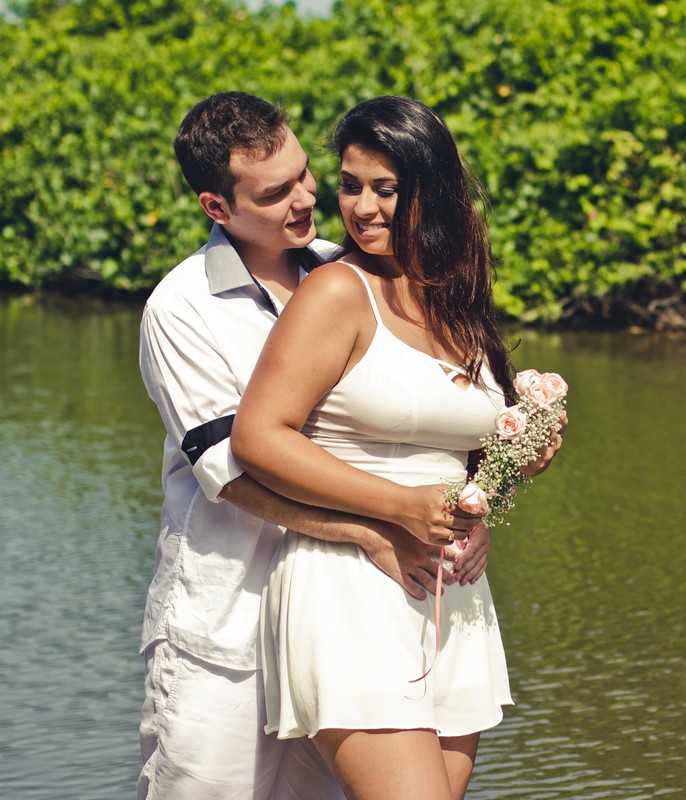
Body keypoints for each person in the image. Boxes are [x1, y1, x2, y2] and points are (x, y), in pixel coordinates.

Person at [137, 91, 492, 799]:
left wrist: (475, 506)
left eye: (306, 175)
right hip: (229, 625)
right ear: (217, 206)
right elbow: (232, 472)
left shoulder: (351, 268)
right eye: (276, 192)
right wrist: (370, 530)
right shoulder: (181, 309)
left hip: (363, 608)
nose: (306, 199)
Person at [230, 96, 565, 800]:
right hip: (350, 586)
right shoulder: (335, 292)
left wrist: (501, 490)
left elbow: (469, 457)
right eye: (350, 186)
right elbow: (257, 437)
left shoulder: (457, 301)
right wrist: (399, 508)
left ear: (430, 190)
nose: (362, 207)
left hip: (453, 595)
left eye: (386, 188)